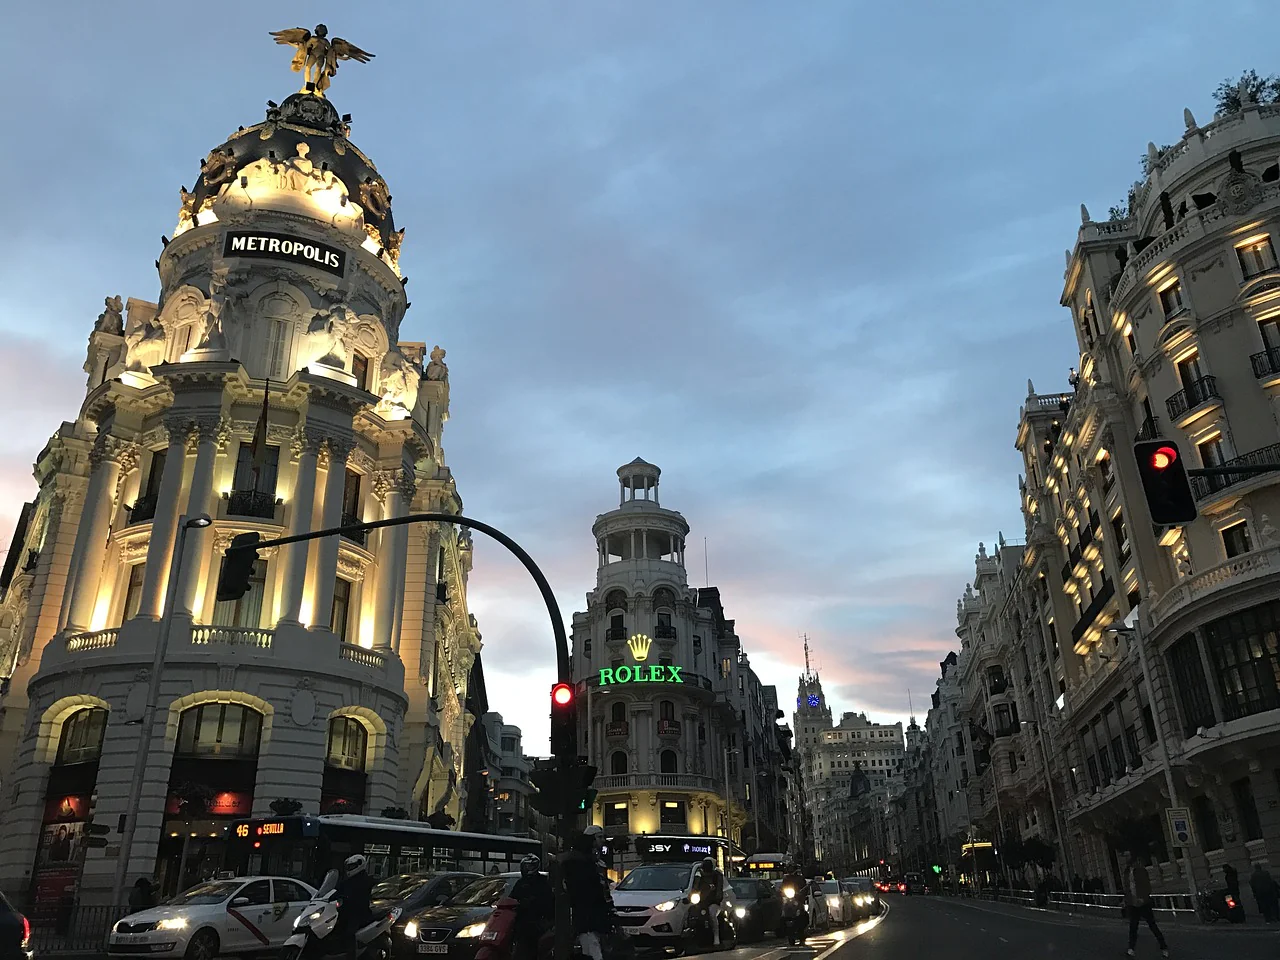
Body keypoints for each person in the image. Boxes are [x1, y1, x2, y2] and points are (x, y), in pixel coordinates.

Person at [563, 832, 613, 960]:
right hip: (590, 918)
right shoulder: (587, 867)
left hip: (585, 919)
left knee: (590, 948)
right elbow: (598, 894)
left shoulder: (572, 865)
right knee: (593, 949)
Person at [1121, 850, 1168, 959]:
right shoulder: (1126, 872)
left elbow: (1146, 886)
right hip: (1132, 903)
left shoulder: (1141, 870)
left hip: (1143, 903)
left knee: (1152, 925)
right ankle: (1131, 949)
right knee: (1133, 927)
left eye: (1127, 856)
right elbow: (1127, 888)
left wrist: (1143, 898)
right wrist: (1126, 900)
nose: (1125, 859)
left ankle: (1164, 947)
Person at [511, 855, 554, 960]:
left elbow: (548, 901)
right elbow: (511, 898)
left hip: (538, 921)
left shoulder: (543, 882)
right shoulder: (521, 882)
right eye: (525, 866)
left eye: (529, 866)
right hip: (522, 921)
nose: (526, 869)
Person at [335, 854, 375, 960]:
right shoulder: (347, 880)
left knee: (350, 933)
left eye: (352, 867)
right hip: (345, 912)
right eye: (349, 867)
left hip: (359, 913)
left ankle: (351, 955)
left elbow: (360, 897)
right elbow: (337, 890)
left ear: (359, 865)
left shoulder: (365, 880)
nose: (350, 869)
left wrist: (347, 899)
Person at [693, 857, 725, 946]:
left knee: (712, 914)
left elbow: (719, 889)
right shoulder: (699, 874)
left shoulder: (717, 875)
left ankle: (716, 936)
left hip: (713, 902)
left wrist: (717, 897)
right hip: (702, 901)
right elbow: (695, 886)